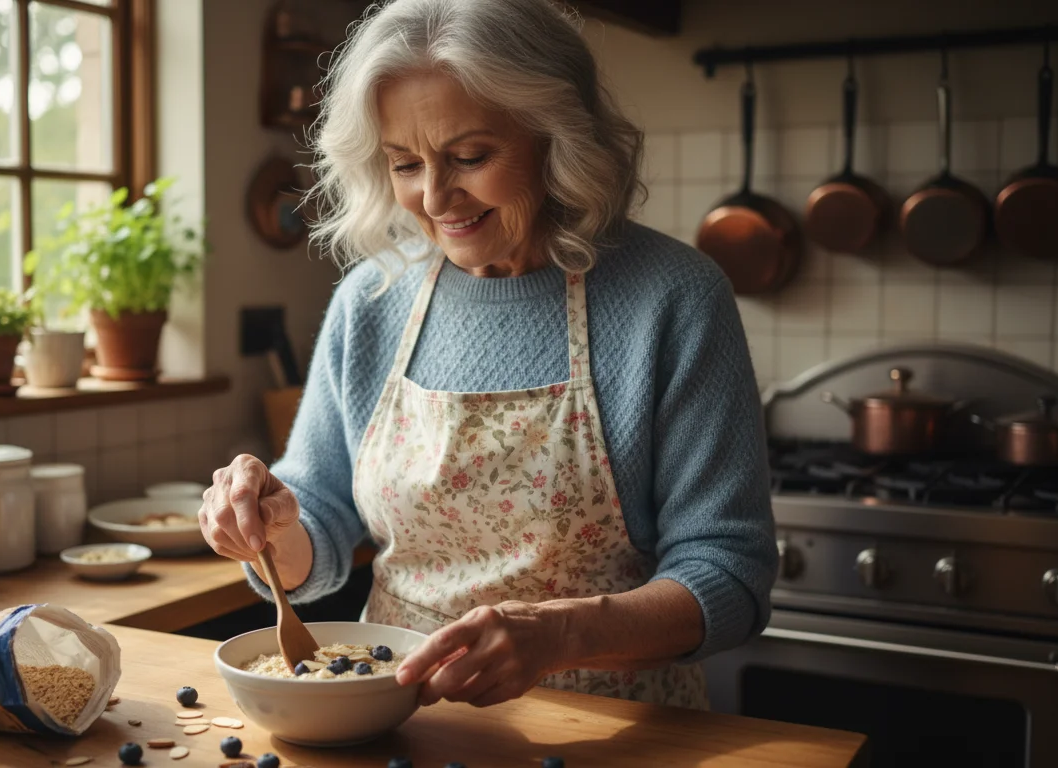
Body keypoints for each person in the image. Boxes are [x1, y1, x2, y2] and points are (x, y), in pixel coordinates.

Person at [199, 0, 777, 710]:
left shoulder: (673, 298)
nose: (436, 197)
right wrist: (269, 526)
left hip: (615, 730)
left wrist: (560, 636)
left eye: (469, 157)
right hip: (397, 718)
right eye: (405, 163)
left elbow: (731, 572)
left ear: (556, 138)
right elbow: (317, 513)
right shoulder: (372, 299)